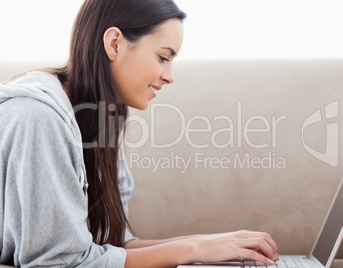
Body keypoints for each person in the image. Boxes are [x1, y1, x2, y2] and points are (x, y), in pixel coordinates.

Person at [0, 0, 279, 267]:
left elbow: (108, 246)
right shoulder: (37, 116)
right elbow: (59, 263)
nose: (170, 76)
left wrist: (214, 244)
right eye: (162, 57)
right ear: (115, 43)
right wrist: (194, 249)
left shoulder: (103, 118)